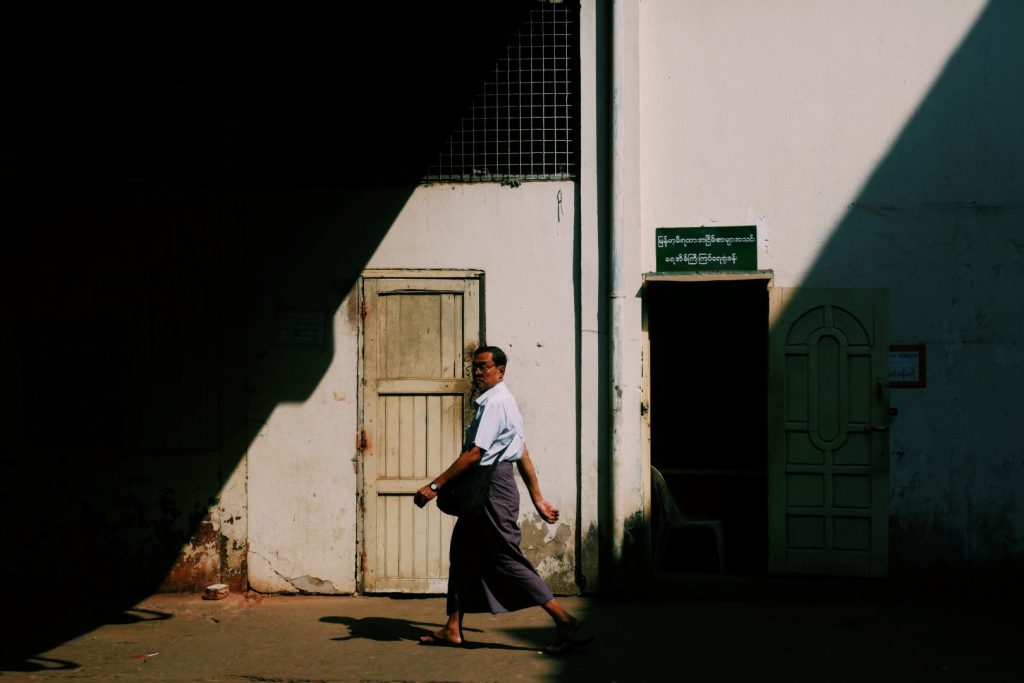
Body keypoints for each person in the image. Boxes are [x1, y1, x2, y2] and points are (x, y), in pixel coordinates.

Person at [413, 346, 591, 655]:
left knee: (506, 557)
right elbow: (522, 452)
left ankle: (565, 621)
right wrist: (538, 499)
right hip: (487, 485)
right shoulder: (499, 403)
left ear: (501, 370)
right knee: (463, 553)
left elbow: (475, 453)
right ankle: (453, 627)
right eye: (475, 367)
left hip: (492, 487)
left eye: (484, 367)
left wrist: (435, 485)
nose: (478, 372)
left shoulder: (497, 403)